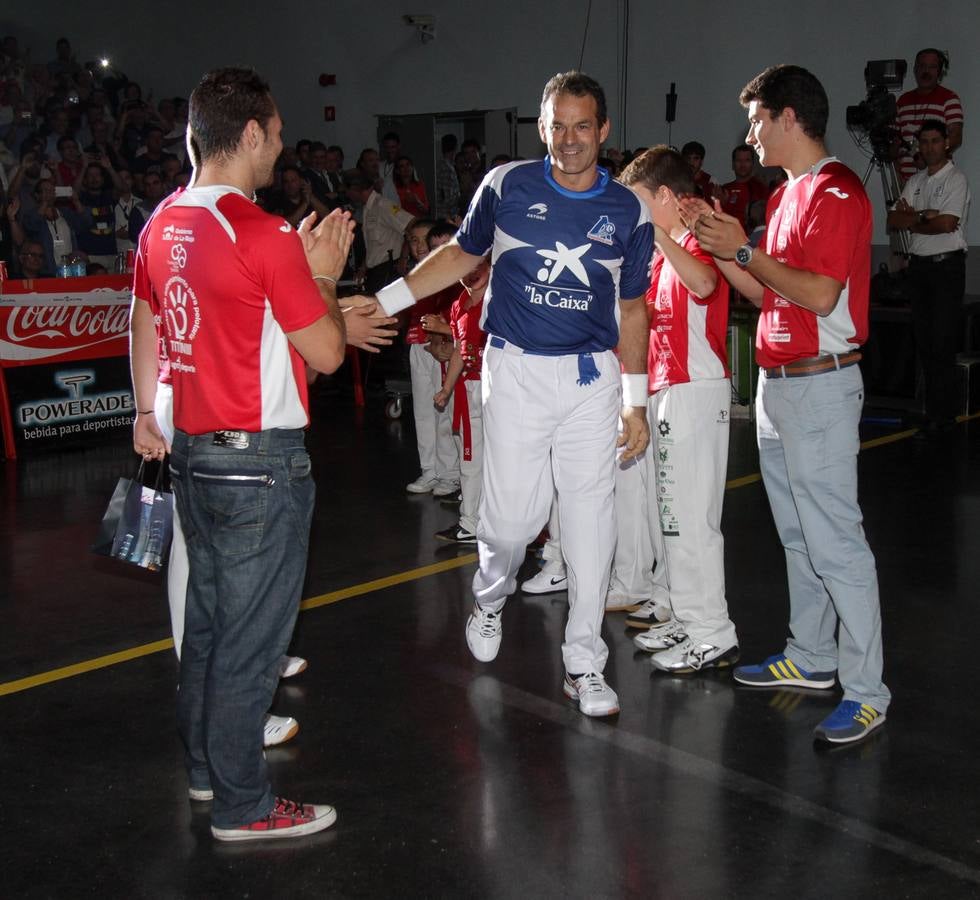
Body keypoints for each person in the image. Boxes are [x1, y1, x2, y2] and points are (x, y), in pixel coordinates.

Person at [360, 70, 652, 718]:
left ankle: (584, 661)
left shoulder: (628, 211)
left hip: (589, 379)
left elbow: (633, 309)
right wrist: (386, 300)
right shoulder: (506, 186)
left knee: (590, 524)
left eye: (583, 127)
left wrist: (636, 399)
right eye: (557, 126)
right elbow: (460, 256)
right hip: (515, 370)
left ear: (603, 131)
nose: (569, 140)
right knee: (516, 522)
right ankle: (489, 597)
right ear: (541, 127)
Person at [129, 66, 351, 841]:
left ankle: (204, 774)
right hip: (258, 464)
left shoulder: (161, 222)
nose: (282, 147)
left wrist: (141, 409)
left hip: (192, 452)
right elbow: (324, 353)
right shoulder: (262, 233)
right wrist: (322, 274)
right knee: (250, 648)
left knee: (211, 631)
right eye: (279, 133)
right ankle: (244, 806)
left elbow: (146, 320)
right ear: (250, 133)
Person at [684, 64, 890, 745]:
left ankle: (866, 691)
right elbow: (768, 291)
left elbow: (821, 294)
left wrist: (743, 247)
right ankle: (812, 656)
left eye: (755, 120)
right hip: (780, 384)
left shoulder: (836, 192)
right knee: (800, 537)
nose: (749, 133)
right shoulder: (788, 196)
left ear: (788, 118)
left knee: (836, 542)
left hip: (822, 385)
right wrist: (718, 246)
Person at [619, 146, 738, 673]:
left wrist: (660, 234)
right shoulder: (667, 248)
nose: (635, 215)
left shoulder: (697, 237)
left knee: (691, 519)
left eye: (641, 204)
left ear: (665, 197)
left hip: (696, 389)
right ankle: (682, 613)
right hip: (669, 389)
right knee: (670, 516)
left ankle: (711, 630)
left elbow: (708, 284)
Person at [887, 119, 970, 434]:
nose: (929, 147)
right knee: (923, 339)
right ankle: (930, 410)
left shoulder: (956, 179)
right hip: (919, 266)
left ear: (946, 143)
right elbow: (893, 218)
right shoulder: (916, 180)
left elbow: (947, 224)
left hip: (946, 266)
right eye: (924, 142)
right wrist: (923, 216)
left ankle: (944, 415)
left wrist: (913, 218)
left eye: (935, 141)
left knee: (942, 340)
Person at [433, 257, 490, 544]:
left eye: (478, 267)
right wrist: (446, 387)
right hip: (469, 391)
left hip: (497, 390)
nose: (471, 274)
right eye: (464, 270)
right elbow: (459, 349)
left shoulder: (501, 298)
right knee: (470, 458)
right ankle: (471, 521)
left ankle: (503, 524)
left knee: (501, 460)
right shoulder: (458, 304)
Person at [403, 219, 461, 497]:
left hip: (441, 346)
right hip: (418, 344)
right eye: (412, 241)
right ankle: (430, 469)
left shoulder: (448, 272)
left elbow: (451, 311)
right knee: (424, 412)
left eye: (423, 240)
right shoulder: (415, 272)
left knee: (444, 411)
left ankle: (449, 472)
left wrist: (442, 339)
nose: (419, 246)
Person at [896, 48, 963, 183]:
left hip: (938, 180)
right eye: (922, 66)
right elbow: (896, 142)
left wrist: (928, 158)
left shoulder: (949, 98)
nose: (926, 71)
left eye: (932, 67)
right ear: (915, 69)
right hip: (906, 182)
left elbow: (955, 138)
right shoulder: (903, 101)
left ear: (939, 72)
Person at [720, 144, 769, 230]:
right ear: (733, 164)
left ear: (753, 164)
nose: (742, 165)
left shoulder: (761, 188)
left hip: (754, 239)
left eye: (747, 160)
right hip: (730, 239)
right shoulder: (724, 190)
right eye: (739, 160)